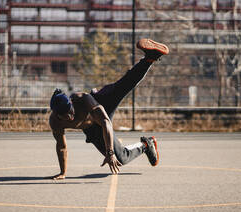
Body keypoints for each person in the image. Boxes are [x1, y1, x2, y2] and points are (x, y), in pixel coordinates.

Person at [49, 38, 169, 180]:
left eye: (70, 111)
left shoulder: (83, 99)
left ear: (71, 102)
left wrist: (109, 152)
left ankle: (150, 57)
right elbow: (62, 146)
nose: (69, 117)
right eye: (64, 116)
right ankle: (146, 145)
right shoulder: (55, 122)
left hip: (101, 104)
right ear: (57, 115)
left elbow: (106, 121)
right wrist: (63, 172)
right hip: (92, 130)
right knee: (122, 159)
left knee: (125, 85)